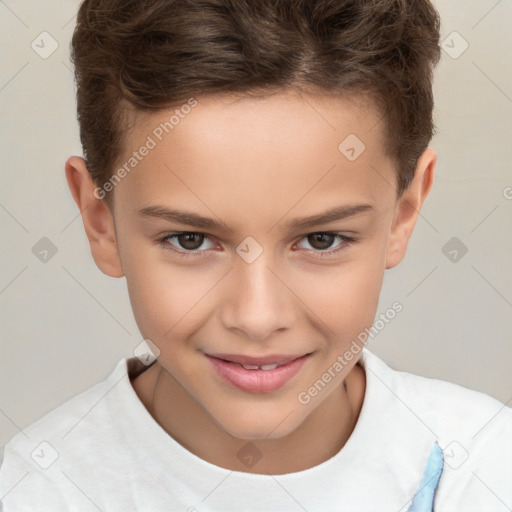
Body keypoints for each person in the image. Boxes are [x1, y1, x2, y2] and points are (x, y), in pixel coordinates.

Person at [1, 0, 510, 510]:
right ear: (100, 221)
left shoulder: (483, 469)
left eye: (321, 240)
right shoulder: (39, 490)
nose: (257, 317)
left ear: (403, 212)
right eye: (190, 240)